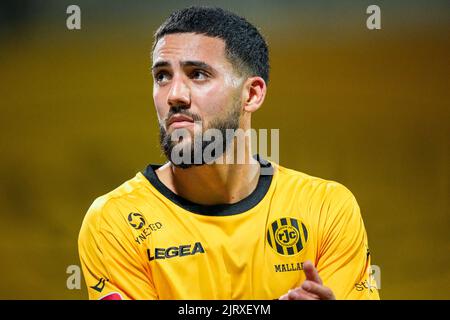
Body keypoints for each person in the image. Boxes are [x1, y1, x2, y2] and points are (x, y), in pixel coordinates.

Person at [78, 6, 379, 300]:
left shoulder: (326, 210)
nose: (174, 95)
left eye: (197, 74)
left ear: (251, 94)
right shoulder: (115, 223)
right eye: (162, 76)